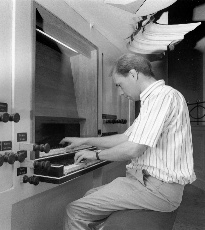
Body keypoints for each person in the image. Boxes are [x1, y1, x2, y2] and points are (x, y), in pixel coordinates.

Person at [60, 53, 196, 230]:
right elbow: (126, 138)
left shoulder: (162, 96)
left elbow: (133, 149)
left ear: (133, 74)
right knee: (90, 194)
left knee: (75, 210)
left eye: (119, 85)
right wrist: (85, 140)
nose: (120, 92)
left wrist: (95, 154)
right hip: (147, 182)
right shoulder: (154, 100)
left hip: (156, 188)